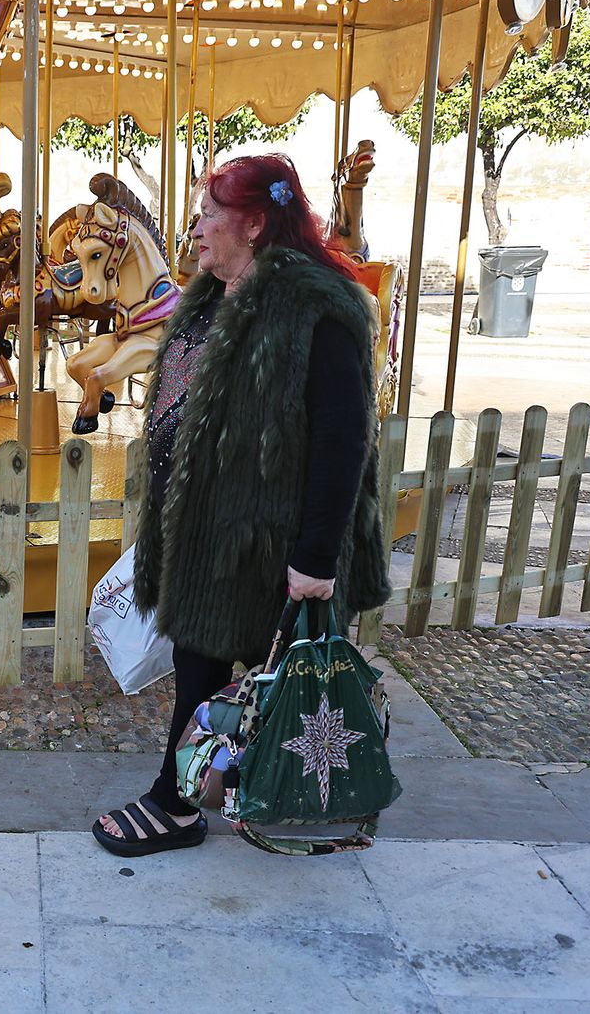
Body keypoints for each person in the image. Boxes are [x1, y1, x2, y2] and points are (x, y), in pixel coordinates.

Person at [92, 153, 392, 857]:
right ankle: (215, 788)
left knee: (245, 671)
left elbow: (344, 438)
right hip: (208, 535)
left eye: (208, 216)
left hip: (268, 540)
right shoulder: (209, 296)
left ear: (254, 223)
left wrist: (316, 558)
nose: (194, 229)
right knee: (206, 668)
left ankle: (180, 802)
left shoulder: (313, 309)